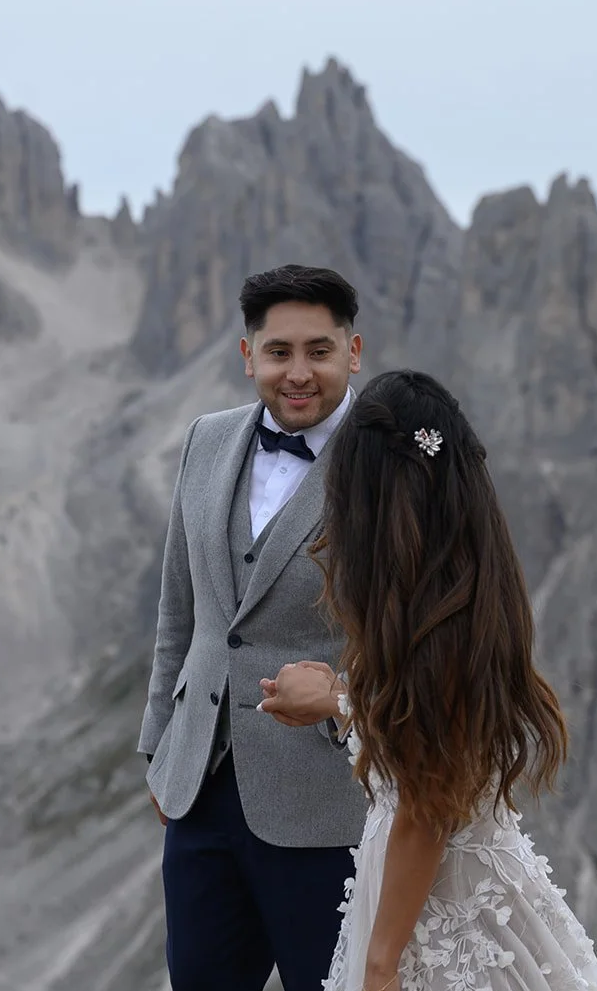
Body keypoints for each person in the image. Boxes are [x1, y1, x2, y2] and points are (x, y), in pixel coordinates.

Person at [258, 369, 597, 991]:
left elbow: (426, 805)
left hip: (438, 918)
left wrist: (381, 963)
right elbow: (422, 727)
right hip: (434, 895)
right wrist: (342, 697)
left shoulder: (436, 618)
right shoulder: (451, 594)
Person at [137, 264, 371, 991]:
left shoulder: (388, 464)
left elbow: (418, 633)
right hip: (199, 791)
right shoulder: (206, 440)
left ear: (353, 352)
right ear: (249, 356)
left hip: (326, 804)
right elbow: (181, 606)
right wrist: (157, 745)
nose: (298, 373)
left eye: (319, 351)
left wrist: (343, 698)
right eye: (278, 352)